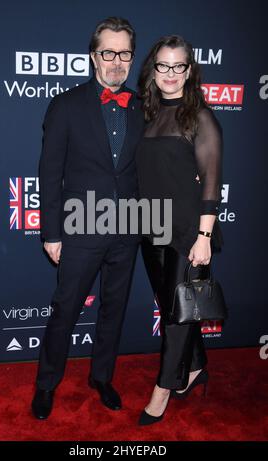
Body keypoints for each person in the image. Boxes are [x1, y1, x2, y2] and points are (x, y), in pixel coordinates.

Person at [31, 16, 144, 420]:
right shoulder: (65, 105)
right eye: (108, 52)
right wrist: (51, 232)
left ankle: (102, 376)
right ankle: (46, 384)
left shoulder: (141, 107)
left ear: (132, 57)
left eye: (124, 53)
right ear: (93, 56)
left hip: (128, 226)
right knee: (66, 309)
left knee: (114, 307)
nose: (116, 61)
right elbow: (49, 172)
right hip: (79, 226)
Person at [136, 35, 223, 425]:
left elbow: (210, 183)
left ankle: (164, 387)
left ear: (189, 70)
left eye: (178, 66)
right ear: (153, 69)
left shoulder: (200, 116)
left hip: (188, 231)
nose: (170, 74)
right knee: (178, 306)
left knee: (174, 317)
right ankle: (196, 365)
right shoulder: (148, 113)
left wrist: (204, 238)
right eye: (162, 66)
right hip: (150, 227)